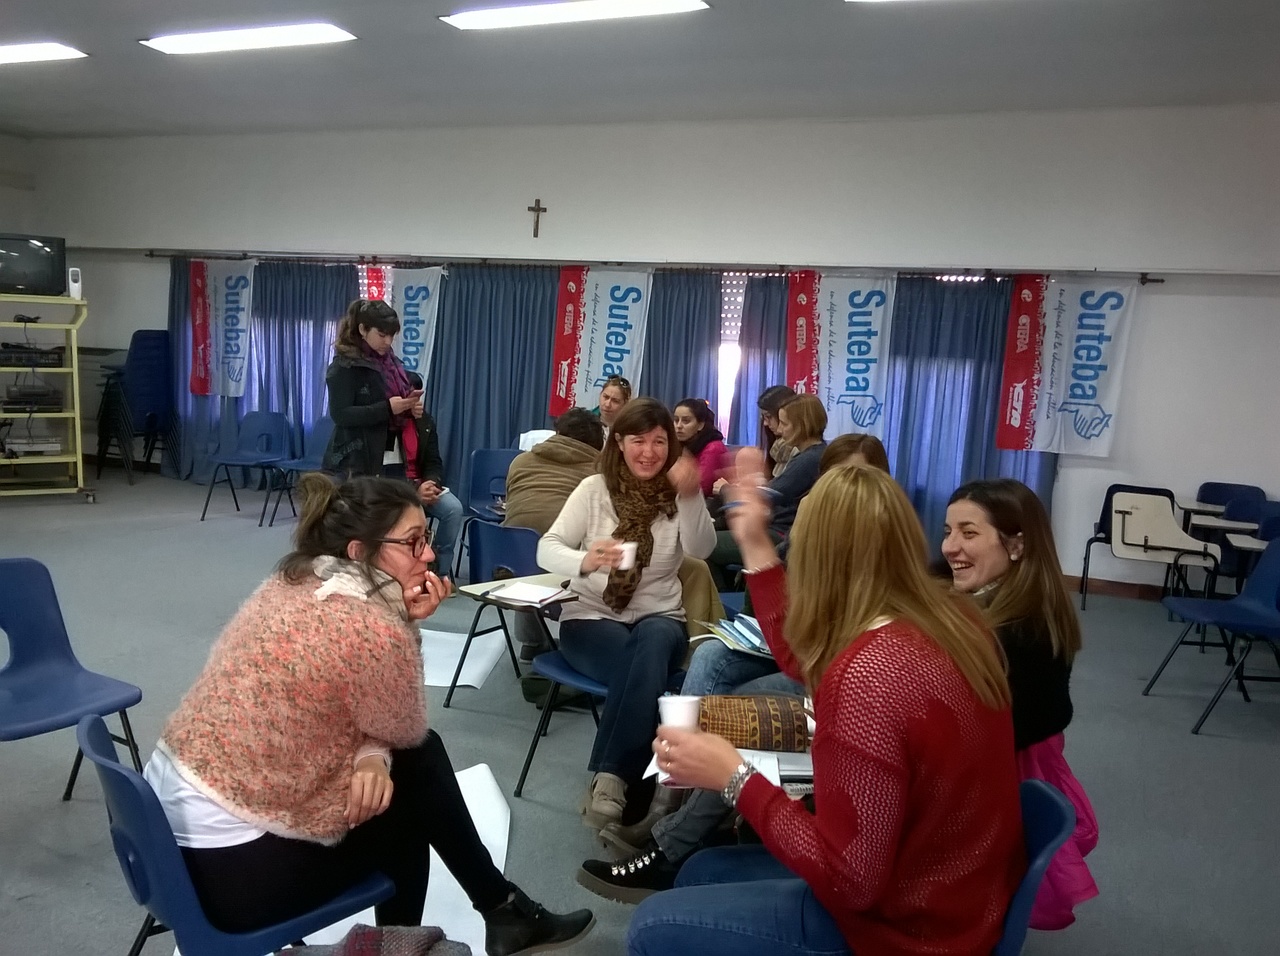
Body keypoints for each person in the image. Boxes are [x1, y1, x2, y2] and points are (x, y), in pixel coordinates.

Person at [143, 474, 593, 956]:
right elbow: (403, 727)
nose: (429, 554)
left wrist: (372, 756)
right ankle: (455, 925)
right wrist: (405, 624)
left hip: (159, 845)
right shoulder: (368, 627)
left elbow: (375, 717)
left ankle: (500, 910)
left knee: (408, 773)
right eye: (413, 542)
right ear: (359, 552)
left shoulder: (294, 582)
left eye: (427, 537)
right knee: (412, 796)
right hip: (223, 884)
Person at [625, 458, 1024, 956]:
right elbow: (806, 657)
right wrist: (754, 541)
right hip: (961, 896)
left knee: (649, 927)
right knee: (700, 871)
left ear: (814, 558)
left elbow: (850, 882)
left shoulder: (866, 677)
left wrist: (735, 777)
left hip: (906, 930)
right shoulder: (951, 620)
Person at [577, 435, 893, 898]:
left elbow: (815, 655)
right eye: (833, 479)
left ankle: (677, 830)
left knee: (736, 707)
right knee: (708, 655)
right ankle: (672, 800)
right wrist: (755, 542)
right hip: (802, 648)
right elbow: (779, 624)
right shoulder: (813, 524)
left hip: (820, 660)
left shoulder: (881, 598)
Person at [537, 398, 717, 829]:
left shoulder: (678, 495)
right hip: (590, 616)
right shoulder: (594, 490)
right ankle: (649, 791)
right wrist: (585, 559)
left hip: (660, 617)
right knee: (643, 672)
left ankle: (611, 779)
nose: (649, 452)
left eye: (659, 442)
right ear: (619, 442)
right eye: (639, 440)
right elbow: (547, 549)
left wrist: (691, 495)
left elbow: (702, 549)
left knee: (651, 643)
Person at [942, 478, 1099, 930]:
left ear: (1016, 545)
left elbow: (988, 730)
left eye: (969, 533)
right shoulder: (995, 595)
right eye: (948, 531)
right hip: (985, 775)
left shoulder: (1024, 632)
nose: (950, 546)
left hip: (986, 790)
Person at [323, 298, 464, 581]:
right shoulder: (343, 368)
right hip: (359, 458)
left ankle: (426, 572)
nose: (388, 342)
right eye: (382, 335)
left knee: (403, 519)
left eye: (392, 336)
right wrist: (388, 408)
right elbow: (341, 415)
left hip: (393, 461)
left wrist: (411, 409)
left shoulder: (392, 365)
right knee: (364, 523)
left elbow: (428, 454)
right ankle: (358, 575)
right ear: (363, 329)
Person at [503, 407, 605, 659]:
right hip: (562, 568)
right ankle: (585, 644)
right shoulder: (597, 474)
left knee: (527, 546)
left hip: (506, 563)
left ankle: (532, 642)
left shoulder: (519, 462)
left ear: (557, 433)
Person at [706, 393, 828, 592]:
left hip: (781, 533)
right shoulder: (810, 454)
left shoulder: (809, 459)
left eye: (785, 424)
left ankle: (724, 600)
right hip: (779, 528)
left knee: (704, 546)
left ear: (801, 424)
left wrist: (729, 490)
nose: (779, 429)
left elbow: (768, 494)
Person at [672, 398, 727, 498]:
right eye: (676, 420)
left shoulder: (714, 448)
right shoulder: (679, 444)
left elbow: (701, 487)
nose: (678, 426)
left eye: (686, 421)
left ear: (700, 425)